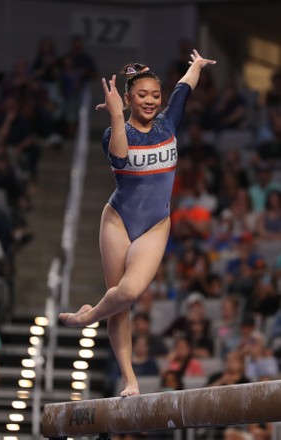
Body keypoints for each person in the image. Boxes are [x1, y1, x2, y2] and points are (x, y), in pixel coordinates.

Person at [59, 49, 217, 396]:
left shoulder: (168, 122)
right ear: (128, 98)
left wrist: (197, 66)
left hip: (155, 224)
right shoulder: (112, 134)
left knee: (128, 292)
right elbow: (119, 156)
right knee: (120, 307)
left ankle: (87, 317)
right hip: (117, 221)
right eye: (142, 95)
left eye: (155, 96)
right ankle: (130, 380)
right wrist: (116, 117)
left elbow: (184, 87)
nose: (150, 101)